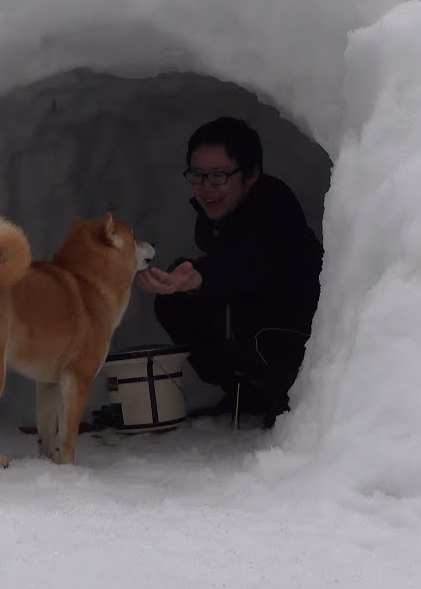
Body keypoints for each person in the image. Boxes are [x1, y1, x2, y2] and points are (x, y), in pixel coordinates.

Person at [136, 116, 323, 428]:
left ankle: (289, 397)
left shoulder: (275, 210)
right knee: (175, 303)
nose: (206, 188)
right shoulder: (221, 214)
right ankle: (244, 391)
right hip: (251, 315)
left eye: (219, 176)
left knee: (246, 313)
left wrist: (199, 277)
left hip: (292, 333)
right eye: (197, 175)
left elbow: (251, 262)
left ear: (250, 175)